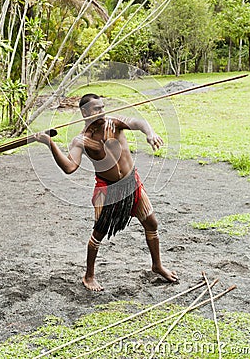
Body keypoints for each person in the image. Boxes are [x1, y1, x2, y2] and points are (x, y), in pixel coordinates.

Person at [35, 93, 178, 291]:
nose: (102, 111)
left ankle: (157, 265)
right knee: (99, 233)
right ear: (84, 112)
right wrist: (50, 143)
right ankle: (89, 275)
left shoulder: (114, 123)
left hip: (132, 184)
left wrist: (150, 133)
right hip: (108, 190)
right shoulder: (81, 141)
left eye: (102, 107)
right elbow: (69, 167)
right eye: (96, 109)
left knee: (151, 223)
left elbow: (138, 122)